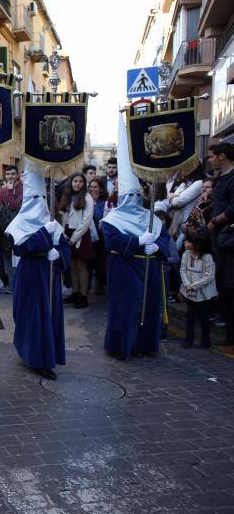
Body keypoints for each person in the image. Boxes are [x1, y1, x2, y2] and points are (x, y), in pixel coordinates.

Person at [101, 117, 170, 360]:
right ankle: (122, 346)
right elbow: (112, 242)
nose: (132, 200)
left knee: (148, 308)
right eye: (127, 195)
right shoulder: (111, 219)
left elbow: (165, 240)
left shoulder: (151, 218)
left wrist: (156, 246)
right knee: (125, 308)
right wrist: (139, 242)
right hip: (123, 267)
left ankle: (144, 344)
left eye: (135, 195)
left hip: (149, 266)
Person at [6, 168, 71, 380]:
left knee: (49, 314)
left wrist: (58, 254)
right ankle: (32, 356)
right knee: (31, 315)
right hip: (29, 274)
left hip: (48, 274)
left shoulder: (51, 221)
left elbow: (65, 247)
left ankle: (46, 357)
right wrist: (45, 234)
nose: (37, 202)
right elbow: (22, 247)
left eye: (41, 198)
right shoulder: (19, 223)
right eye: (33, 197)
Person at [206, 143, 234, 345]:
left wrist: (216, 220)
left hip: (228, 238)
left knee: (229, 285)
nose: (210, 159)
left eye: (212, 156)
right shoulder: (219, 179)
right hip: (219, 238)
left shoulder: (232, 179)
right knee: (223, 286)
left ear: (222, 157)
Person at [59, 173, 95, 309]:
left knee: (81, 266)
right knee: (72, 265)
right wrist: (63, 234)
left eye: (80, 181)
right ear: (71, 182)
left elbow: (86, 221)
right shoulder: (67, 196)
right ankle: (75, 292)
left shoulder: (87, 197)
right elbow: (63, 217)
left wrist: (74, 238)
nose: (77, 184)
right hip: (67, 233)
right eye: (75, 181)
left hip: (80, 235)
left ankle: (83, 296)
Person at [179, 233, 217, 349]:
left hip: (203, 292)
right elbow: (183, 270)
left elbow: (208, 276)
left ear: (198, 245)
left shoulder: (207, 257)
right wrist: (187, 285)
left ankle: (205, 341)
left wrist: (193, 286)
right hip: (190, 290)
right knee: (190, 316)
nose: (185, 243)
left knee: (203, 317)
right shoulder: (186, 253)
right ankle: (188, 339)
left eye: (188, 241)